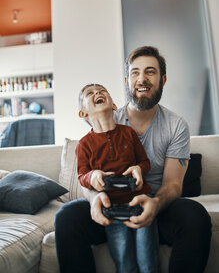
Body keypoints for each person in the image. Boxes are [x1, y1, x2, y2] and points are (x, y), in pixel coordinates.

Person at [55, 46, 212, 273]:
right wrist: (95, 198)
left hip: (156, 204)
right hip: (111, 206)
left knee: (195, 216)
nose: (142, 79)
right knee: (66, 217)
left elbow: (173, 185)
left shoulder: (176, 125)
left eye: (150, 72)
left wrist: (155, 204)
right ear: (127, 80)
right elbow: (85, 175)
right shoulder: (108, 117)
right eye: (136, 73)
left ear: (163, 79)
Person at [76, 83, 159, 273]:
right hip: (111, 209)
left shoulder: (128, 133)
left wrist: (139, 169)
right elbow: (82, 176)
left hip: (140, 203)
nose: (97, 92)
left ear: (114, 105)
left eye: (103, 90)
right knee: (124, 262)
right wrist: (93, 175)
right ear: (83, 113)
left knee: (148, 261)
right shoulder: (84, 145)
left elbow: (145, 162)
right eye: (90, 93)